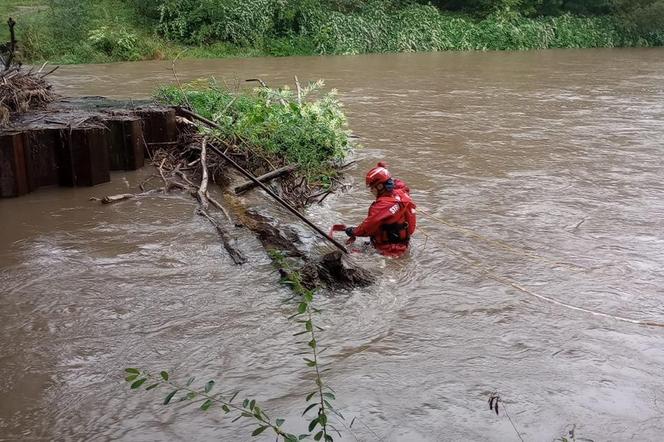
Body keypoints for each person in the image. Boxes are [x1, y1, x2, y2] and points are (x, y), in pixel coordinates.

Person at [344, 162, 416, 257]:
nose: (371, 191)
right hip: (402, 245)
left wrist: (353, 231)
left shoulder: (382, 205)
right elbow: (401, 184)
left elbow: (367, 227)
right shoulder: (400, 193)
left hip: (388, 250)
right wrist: (384, 172)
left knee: (350, 254)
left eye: (372, 188)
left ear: (380, 187)